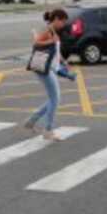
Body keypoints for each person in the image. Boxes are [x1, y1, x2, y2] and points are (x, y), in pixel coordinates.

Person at [23, 9, 68, 141]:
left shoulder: (53, 31)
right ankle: (48, 130)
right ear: (56, 19)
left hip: (50, 68)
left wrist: (63, 61)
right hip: (44, 68)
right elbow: (36, 43)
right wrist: (51, 42)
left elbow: (56, 49)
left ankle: (31, 122)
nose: (64, 24)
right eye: (63, 21)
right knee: (55, 99)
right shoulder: (48, 30)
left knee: (54, 99)